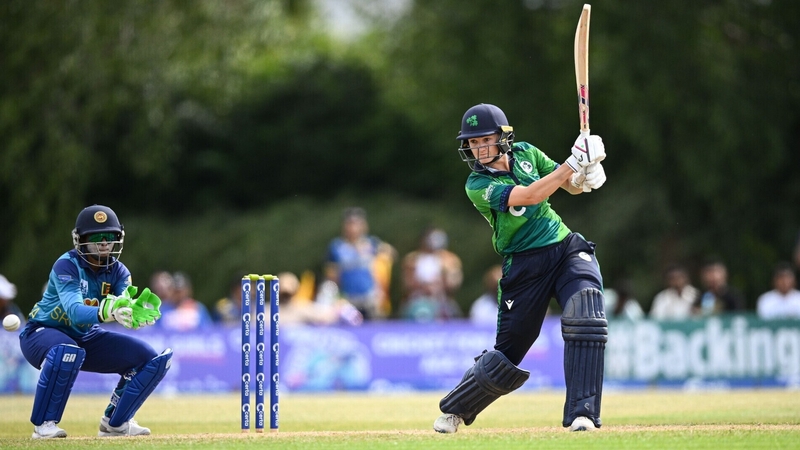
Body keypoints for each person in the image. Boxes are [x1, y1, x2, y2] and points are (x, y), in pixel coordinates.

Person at [433, 103, 608, 434]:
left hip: (564, 247)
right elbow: (529, 195)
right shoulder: (476, 184)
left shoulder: (527, 152)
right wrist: (572, 163)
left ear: (503, 137)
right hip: (524, 266)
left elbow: (566, 184)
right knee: (509, 354)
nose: (478, 148)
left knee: (586, 312)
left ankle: (582, 413)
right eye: (471, 143)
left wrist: (586, 173)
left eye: (484, 140)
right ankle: (457, 408)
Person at [17, 205, 169, 439]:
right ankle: (44, 425)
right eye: (97, 237)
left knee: (150, 359)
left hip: (84, 336)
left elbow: (122, 302)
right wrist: (107, 309)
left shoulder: (119, 271)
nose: (105, 243)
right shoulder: (66, 265)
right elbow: (76, 312)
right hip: (42, 332)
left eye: (110, 237)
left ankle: (115, 423)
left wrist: (133, 313)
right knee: (66, 350)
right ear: (81, 239)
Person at [324, 207, 396, 320]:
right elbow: (331, 275)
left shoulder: (371, 243)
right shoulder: (337, 246)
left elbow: (391, 253)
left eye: (357, 223)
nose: (353, 228)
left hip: (370, 297)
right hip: (348, 298)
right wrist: (334, 297)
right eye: (350, 224)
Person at [400, 227, 464, 322]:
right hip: (418, 299)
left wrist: (441, 281)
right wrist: (424, 286)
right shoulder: (412, 260)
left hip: (442, 300)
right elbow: (407, 283)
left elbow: (454, 283)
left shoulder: (450, 260)